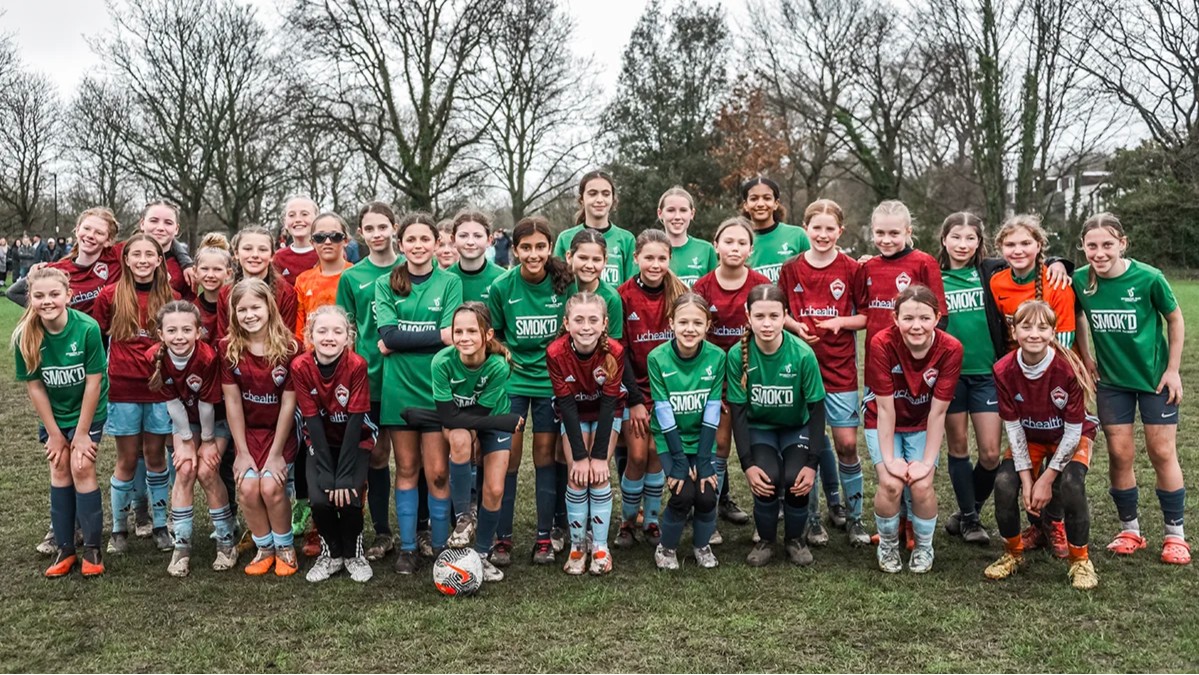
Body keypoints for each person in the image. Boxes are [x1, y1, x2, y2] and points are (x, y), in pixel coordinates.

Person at [1073, 213, 1189, 565]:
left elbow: (1175, 318)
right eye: (1092, 246)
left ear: (1122, 243)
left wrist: (1172, 370)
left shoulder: (1149, 278)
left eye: (1107, 244)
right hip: (1112, 383)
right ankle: (1130, 530)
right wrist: (1086, 355)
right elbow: (1077, 315)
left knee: (1161, 452)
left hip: (1154, 382)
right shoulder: (1081, 280)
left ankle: (1175, 535)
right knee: (1121, 454)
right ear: (1083, 247)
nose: (1100, 252)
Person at [402, 303, 524, 583]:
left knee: (494, 489)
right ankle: (464, 518)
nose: (464, 337)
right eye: (458, 331)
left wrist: (492, 426)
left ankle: (481, 555)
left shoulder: (497, 365)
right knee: (458, 437)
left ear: (488, 334)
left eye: (472, 330)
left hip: (489, 419)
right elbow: (449, 417)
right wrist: (499, 422)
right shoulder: (442, 362)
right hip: (469, 423)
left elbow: (478, 414)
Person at [986, 300, 1099, 589]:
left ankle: (1080, 561)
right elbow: (1012, 426)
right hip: (1031, 436)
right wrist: (1026, 479)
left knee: (1071, 484)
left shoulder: (1067, 369)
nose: (1034, 333)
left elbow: (1074, 432)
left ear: (1053, 332)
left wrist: (1046, 479)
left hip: (1069, 436)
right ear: (1014, 330)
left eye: (1042, 327)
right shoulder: (1003, 369)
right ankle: (1013, 553)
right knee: (1004, 483)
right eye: (1026, 326)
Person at [779, 199, 871, 546]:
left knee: (846, 445)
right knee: (807, 448)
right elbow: (780, 310)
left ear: (840, 232)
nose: (822, 234)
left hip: (840, 368)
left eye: (829, 228)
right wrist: (796, 327)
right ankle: (813, 520)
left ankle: (855, 517)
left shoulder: (852, 268)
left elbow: (865, 316)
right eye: (816, 228)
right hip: (801, 370)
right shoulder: (791, 268)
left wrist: (838, 323)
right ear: (805, 229)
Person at [374, 212, 462, 574]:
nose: (418, 246)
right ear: (401, 243)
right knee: (407, 468)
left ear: (436, 243)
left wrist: (399, 341)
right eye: (411, 240)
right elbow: (389, 336)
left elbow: (450, 337)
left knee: (438, 473)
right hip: (400, 388)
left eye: (425, 239)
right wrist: (430, 337)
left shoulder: (449, 281)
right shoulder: (386, 283)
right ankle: (408, 548)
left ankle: (441, 548)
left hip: (437, 387)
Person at [485, 216, 571, 565]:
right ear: (515, 250)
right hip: (515, 382)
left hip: (552, 381)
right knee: (508, 458)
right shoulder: (502, 287)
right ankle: (502, 539)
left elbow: (574, 326)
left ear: (550, 248)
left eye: (540, 247)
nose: (533, 254)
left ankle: (544, 537)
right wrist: (510, 359)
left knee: (545, 457)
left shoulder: (565, 282)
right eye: (525, 247)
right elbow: (496, 335)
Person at [14, 267, 109, 577]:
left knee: (81, 465)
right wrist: (55, 434)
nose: (47, 301)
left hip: (87, 410)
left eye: (54, 294)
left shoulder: (87, 328)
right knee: (58, 465)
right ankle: (65, 549)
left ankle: (92, 549)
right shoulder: (25, 335)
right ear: (30, 299)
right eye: (39, 296)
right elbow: (36, 387)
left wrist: (81, 433)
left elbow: (94, 382)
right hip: (54, 414)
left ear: (69, 296)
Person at [865, 284, 962, 573]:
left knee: (921, 486)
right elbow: (884, 409)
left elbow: (938, 412)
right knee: (891, 483)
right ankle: (888, 545)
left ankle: (923, 547)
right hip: (884, 419)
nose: (916, 326)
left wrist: (927, 463)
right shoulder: (882, 342)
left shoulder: (951, 348)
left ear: (937, 317)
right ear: (895, 319)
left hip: (923, 421)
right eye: (907, 318)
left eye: (924, 318)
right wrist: (891, 459)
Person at [92, 234, 179, 554]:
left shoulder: (172, 296)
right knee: (127, 458)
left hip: (160, 391)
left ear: (160, 260)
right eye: (136, 254)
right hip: (123, 390)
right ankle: (118, 530)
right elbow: (97, 337)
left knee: (156, 458)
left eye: (149, 255)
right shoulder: (110, 295)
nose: (143, 260)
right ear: (125, 260)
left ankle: (159, 524)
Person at [728, 284, 827, 566]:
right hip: (762, 429)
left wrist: (812, 463)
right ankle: (767, 541)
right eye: (759, 316)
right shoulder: (738, 355)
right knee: (767, 478)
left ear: (786, 315)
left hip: (796, 428)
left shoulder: (802, 354)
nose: (767, 323)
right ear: (748, 316)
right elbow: (738, 412)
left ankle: (796, 540)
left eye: (774, 315)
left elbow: (817, 410)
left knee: (796, 478)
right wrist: (747, 464)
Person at [691, 217, 772, 536]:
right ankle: (710, 516)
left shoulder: (760, 284)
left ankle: (764, 516)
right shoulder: (703, 286)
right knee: (720, 444)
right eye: (728, 241)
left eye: (741, 243)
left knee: (759, 445)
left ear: (751, 249)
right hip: (717, 379)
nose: (734, 248)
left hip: (756, 375)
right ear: (716, 246)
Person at [148, 301, 236, 576]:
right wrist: (185, 439)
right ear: (160, 334)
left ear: (199, 331)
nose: (179, 336)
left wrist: (207, 441)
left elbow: (209, 406)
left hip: (214, 420)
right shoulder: (154, 356)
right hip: (184, 419)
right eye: (171, 330)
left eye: (187, 329)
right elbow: (172, 401)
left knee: (208, 470)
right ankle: (182, 546)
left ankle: (226, 540)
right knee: (185, 468)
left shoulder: (207, 357)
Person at [220, 278, 300, 576]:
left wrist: (277, 453)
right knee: (248, 489)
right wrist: (240, 451)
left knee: (270, 486)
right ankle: (264, 547)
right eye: (242, 309)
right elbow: (233, 403)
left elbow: (289, 405)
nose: (249, 315)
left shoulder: (290, 347)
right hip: (248, 433)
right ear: (233, 313)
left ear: (270, 308)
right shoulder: (228, 349)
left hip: (279, 432)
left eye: (256, 307)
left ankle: (285, 547)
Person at [292, 305, 377, 583]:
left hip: (355, 440)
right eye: (322, 331)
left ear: (347, 337)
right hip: (320, 442)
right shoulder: (301, 366)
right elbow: (312, 421)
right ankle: (332, 554)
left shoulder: (356, 365)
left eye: (337, 331)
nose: (329, 337)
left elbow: (355, 422)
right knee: (320, 500)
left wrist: (342, 477)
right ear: (310, 336)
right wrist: (328, 475)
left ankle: (354, 554)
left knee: (350, 497)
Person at [335, 202, 400, 562]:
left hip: (406, 377)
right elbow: (346, 329)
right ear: (361, 233)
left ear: (394, 227)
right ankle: (382, 532)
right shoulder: (352, 276)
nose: (377, 234)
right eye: (370, 228)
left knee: (412, 457)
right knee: (376, 454)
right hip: (369, 377)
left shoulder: (412, 269)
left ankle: (418, 530)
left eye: (383, 227)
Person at [615, 229, 687, 550]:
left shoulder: (681, 293)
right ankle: (628, 521)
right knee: (638, 455)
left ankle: (653, 520)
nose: (655, 264)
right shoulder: (623, 296)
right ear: (636, 258)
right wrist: (634, 400)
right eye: (649, 258)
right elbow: (622, 353)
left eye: (662, 258)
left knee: (658, 454)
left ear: (670, 259)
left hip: (668, 391)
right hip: (635, 392)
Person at [649, 293, 726, 570]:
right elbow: (664, 412)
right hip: (671, 440)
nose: (689, 329)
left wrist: (704, 461)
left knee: (706, 495)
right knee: (682, 494)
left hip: (702, 439)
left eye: (697, 322)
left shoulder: (717, 357)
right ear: (671, 323)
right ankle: (666, 548)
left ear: (707, 325)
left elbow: (712, 412)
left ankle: (701, 546)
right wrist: (679, 461)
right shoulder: (657, 357)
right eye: (683, 322)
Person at [549, 292, 624, 575]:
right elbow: (566, 405)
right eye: (578, 320)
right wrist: (581, 457)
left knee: (599, 473)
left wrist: (600, 457)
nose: (586, 326)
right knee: (578, 475)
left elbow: (609, 403)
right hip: (575, 413)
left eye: (593, 320)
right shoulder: (555, 352)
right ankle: (578, 546)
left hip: (606, 413)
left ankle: (601, 547)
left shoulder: (614, 351)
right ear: (567, 323)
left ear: (604, 323)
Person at [216, 225, 299, 341]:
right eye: (247, 249)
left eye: (263, 250)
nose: (255, 255)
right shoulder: (225, 293)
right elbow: (223, 339)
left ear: (272, 256)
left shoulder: (286, 293)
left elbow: (287, 338)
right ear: (236, 253)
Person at [553, 170, 636, 284]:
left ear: (613, 199)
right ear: (582, 199)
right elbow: (556, 283)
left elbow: (632, 287)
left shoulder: (627, 239)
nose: (600, 200)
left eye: (606, 194)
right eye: (592, 193)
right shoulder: (565, 238)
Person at [293, 212, 354, 341]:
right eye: (320, 237)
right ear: (312, 242)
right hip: (311, 356)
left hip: (349, 357)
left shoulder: (356, 276)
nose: (327, 242)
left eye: (335, 236)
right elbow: (299, 331)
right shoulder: (303, 280)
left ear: (346, 241)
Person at [740, 177, 809, 283]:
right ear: (746, 205)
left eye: (767, 198)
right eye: (754, 199)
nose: (760, 204)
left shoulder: (798, 235)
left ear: (776, 203)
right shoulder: (739, 240)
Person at [565, 229, 623, 340]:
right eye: (583, 258)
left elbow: (614, 344)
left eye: (596, 260)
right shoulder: (560, 290)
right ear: (569, 257)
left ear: (605, 261)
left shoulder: (612, 298)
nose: (589, 265)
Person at [658, 186, 716, 287]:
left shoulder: (706, 249)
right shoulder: (650, 250)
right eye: (671, 210)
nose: (677, 217)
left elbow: (714, 291)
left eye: (683, 210)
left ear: (692, 213)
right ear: (660, 213)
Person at [448, 209, 506, 303]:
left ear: (489, 240)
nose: (470, 242)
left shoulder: (503, 278)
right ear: (453, 240)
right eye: (463, 236)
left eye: (478, 236)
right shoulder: (445, 280)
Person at [192, 234, 232, 346]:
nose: (210, 275)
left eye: (217, 269)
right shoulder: (192, 311)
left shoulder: (236, 306)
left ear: (228, 273)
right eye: (204, 269)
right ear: (195, 271)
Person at [273, 196, 320, 285]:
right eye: (291, 215)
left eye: (304, 214)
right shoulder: (278, 258)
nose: (298, 219)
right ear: (285, 222)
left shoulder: (325, 254)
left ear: (316, 220)